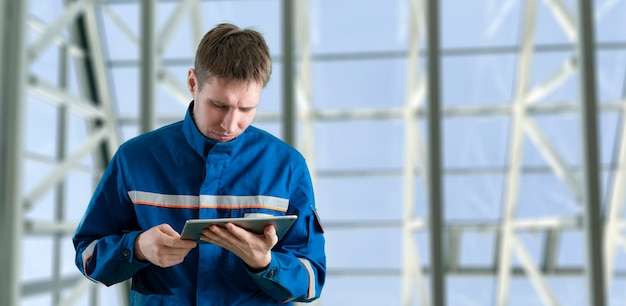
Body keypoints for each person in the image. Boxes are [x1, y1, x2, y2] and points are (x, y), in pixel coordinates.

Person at [73, 23, 326, 305]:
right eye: (219, 105)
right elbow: (87, 254)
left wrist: (265, 263)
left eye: (246, 109)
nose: (231, 124)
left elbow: (312, 279)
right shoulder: (134, 159)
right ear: (193, 83)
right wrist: (138, 248)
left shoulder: (288, 167)